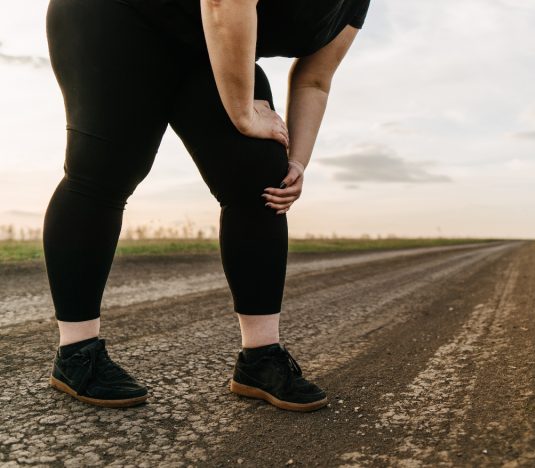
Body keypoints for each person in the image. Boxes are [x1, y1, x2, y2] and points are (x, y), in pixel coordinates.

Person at [43, 0, 371, 412]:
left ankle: (261, 358)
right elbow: (222, 3)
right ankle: (77, 354)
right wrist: (244, 115)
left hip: (207, 43)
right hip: (117, 17)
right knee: (103, 172)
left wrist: (297, 162)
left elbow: (315, 80)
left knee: (261, 177)